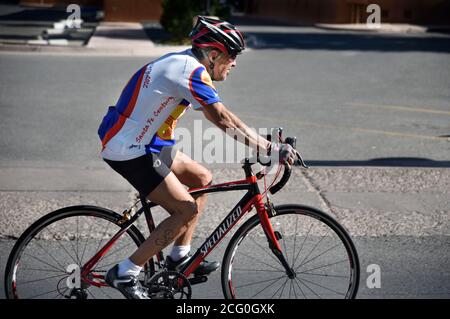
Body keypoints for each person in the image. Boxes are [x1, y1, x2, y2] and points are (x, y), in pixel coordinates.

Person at [98, 16, 297, 299]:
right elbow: (223, 119)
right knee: (185, 209)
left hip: (147, 142)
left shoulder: (185, 63)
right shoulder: (189, 71)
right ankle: (125, 272)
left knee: (201, 178)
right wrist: (269, 149)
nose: (235, 63)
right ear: (214, 54)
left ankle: (179, 257)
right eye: (232, 56)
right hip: (129, 148)